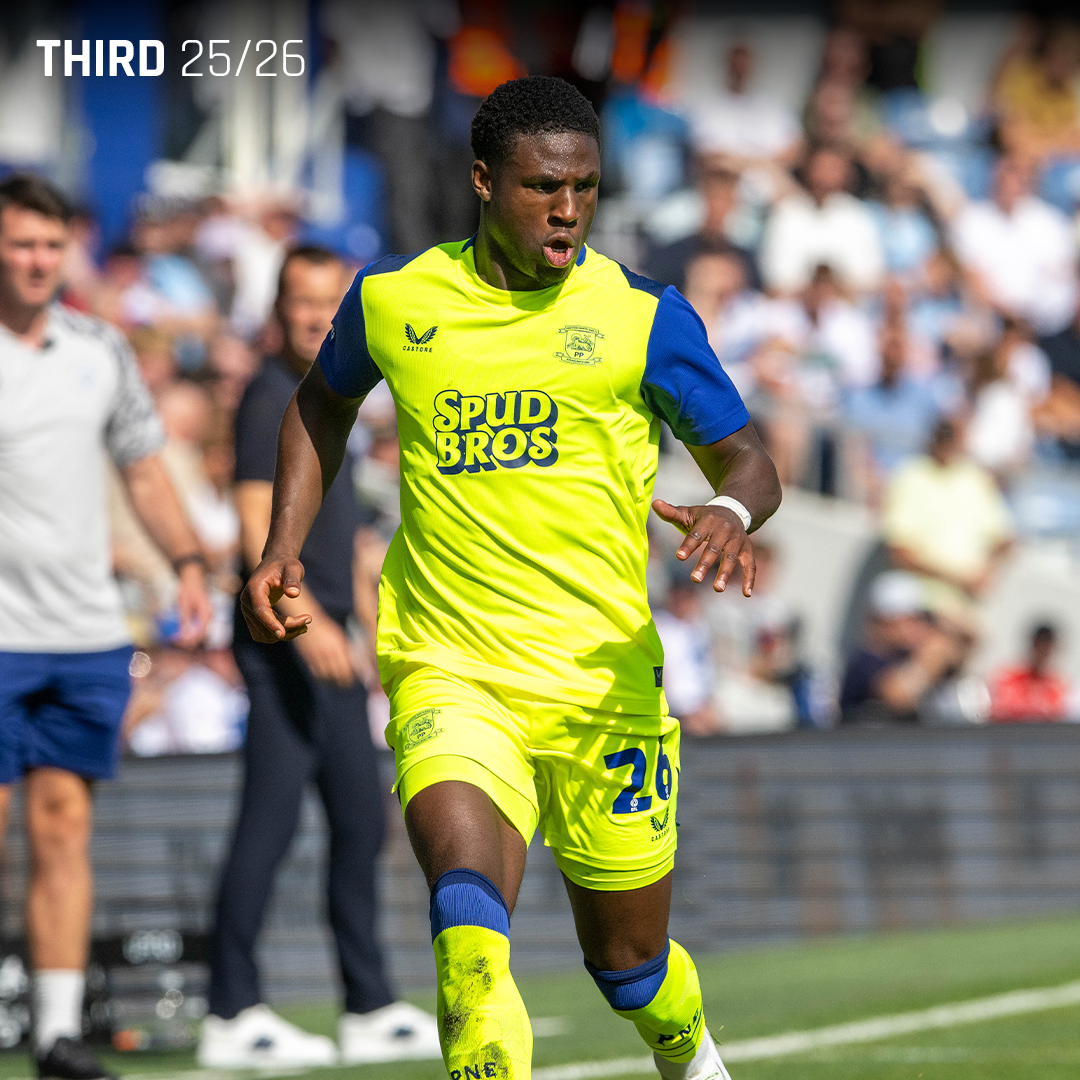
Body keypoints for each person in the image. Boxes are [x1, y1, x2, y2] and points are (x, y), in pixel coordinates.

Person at [241, 77, 781, 1080]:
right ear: (484, 181)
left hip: (600, 685)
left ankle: (689, 1052)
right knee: (468, 943)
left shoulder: (643, 317)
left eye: (586, 188)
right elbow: (320, 405)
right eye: (543, 187)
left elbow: (749, 458)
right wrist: (281, 546)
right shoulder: (395, 299)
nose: (569, 210)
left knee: (631, 970)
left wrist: (730, 512)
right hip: (450, 666)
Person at [197, 246, 440, 1069]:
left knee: (359, 821)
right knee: (269, 826)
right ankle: (232, 1011)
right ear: (276, 308)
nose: (313, 316)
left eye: (326, 302)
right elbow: (251, 523)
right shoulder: (270, 394)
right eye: (300, 301)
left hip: (329, 638)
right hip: (289, 640)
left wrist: (366, 625)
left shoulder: (330, 393)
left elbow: (351, 541)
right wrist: (311, 625)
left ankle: (367, 1004)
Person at [0, 174, 212, 1080]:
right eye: (21, 243)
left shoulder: (99, 348)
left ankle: (56, 1035)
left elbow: (145, 470)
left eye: (52, 245)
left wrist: (188, 563)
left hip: (84, 630)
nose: (37, 260)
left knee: (62, 830)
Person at [989, 623, 1078, 723]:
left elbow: (1064, 715)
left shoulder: (1059, 686)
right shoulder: (1008, 680)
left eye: (1047, 646)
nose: (1043, 651)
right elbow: (998, 712)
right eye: (1039, 644)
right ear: (1032, 645)